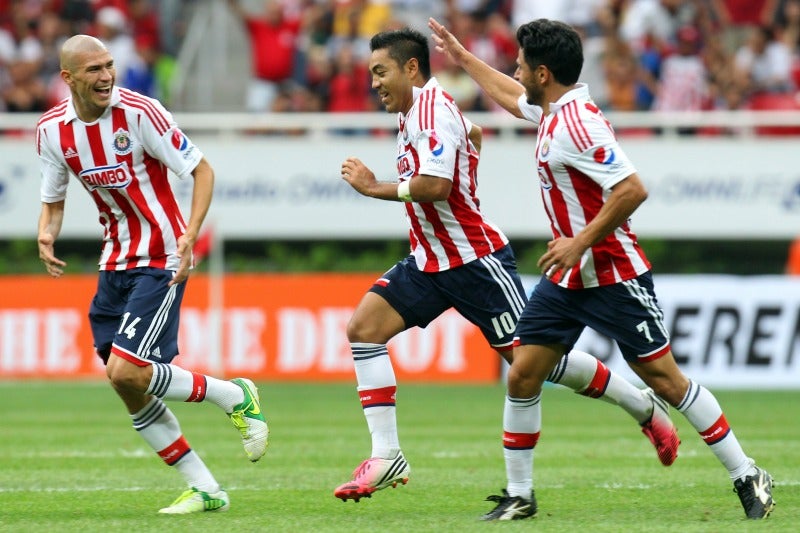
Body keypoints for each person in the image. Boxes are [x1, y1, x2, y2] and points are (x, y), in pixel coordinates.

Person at [429, 17, 775, 520]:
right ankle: (520, 496)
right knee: (523, 375)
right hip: (568, 277)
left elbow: (632, 189)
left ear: (543, 73)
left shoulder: (577, 123)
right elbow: (509, 94)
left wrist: (579, 243)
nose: (515, 67)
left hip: (613, 271)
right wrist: (461, 57)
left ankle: (747, 473)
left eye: (522, 62)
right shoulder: (550, 108)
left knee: (665, 380)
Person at [333, 27, 680, 503]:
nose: (374, 82)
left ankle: (640, 405)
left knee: (532, 363)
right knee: (363, 330)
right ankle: (387, 454)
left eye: (380, 71)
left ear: (411, 68)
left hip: (476, 262)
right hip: (430, 260)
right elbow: (469, 135)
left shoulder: (433, 111)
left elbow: (434, 187)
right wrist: (469, 148)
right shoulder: (416, 109)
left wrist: (373, 186)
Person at [36, 35, 269, 514]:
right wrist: (46, 232)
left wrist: (190, 235)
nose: (106, 76)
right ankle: (205, 488)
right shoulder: (52, 131)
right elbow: (53, 196)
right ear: (69, 78)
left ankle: (232, 394)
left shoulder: (140, 112)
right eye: (94, 70)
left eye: (109, 65)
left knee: (126, 369)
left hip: (162, 256)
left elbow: (202, 170)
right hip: (114, 261)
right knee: (124, 381)